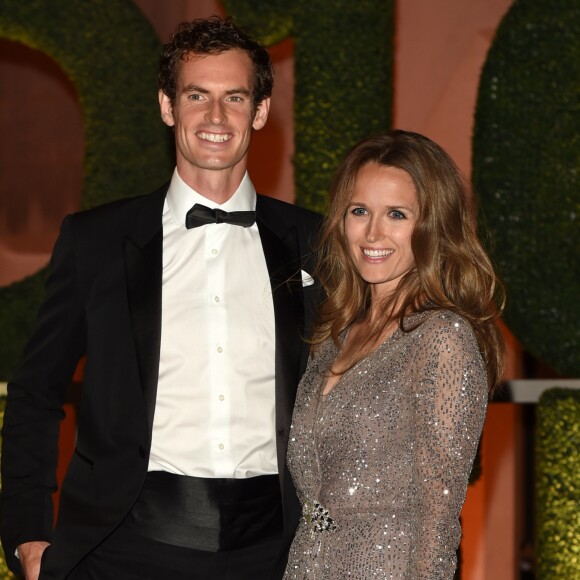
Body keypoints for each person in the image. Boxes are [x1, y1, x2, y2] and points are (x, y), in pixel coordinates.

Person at [0, 16, 321, 580]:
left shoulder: (315, 243)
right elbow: (36, 391)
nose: (216, 118)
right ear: (168, 107)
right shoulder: (96, 241)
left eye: (235, 98)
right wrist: (29, 533)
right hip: (122, 547)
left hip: (274, 554)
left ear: (262, 111)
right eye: (197, 96)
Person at [283, 130, 505, 579]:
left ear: (432, 226)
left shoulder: (442, 339)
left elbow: (438, 518)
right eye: (359, 211)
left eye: (397, 215)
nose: (372, 233)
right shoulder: (335, 334)